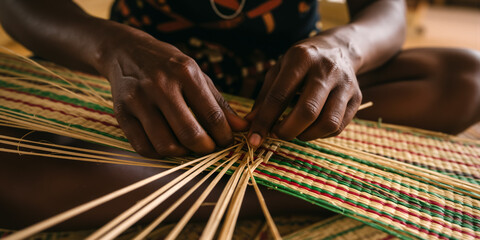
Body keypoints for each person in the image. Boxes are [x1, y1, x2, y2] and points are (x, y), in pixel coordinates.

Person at [0, 0, 479, 229]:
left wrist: (343, 49)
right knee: (12, 173)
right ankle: (327, 188)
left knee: (468, 78)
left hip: (285, 85)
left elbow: (387, 11)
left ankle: (186, 185)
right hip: (150, 87)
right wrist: (112, 48)